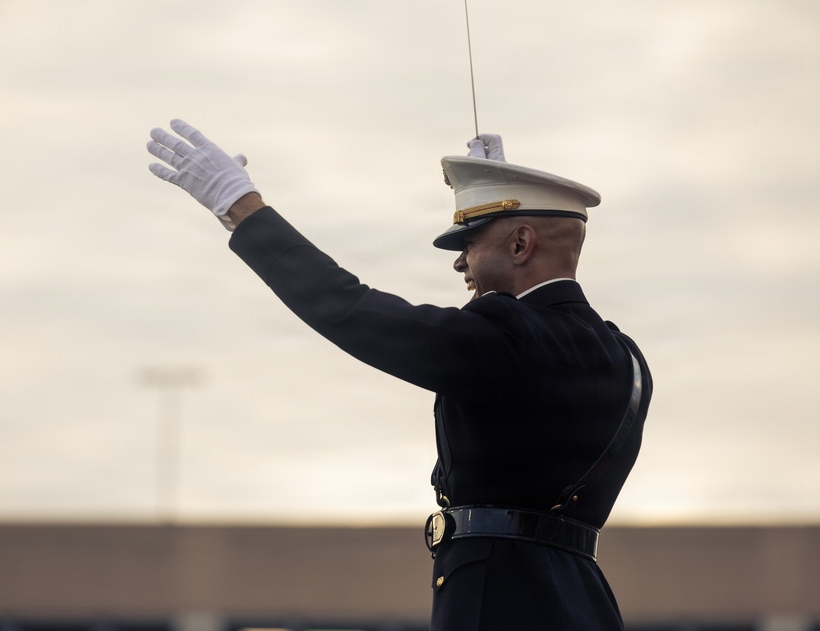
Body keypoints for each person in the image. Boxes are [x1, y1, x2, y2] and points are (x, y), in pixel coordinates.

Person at [146, 119, 653, 630]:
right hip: (582, 599)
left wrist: (243, 209)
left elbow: (348, 309)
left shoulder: (508, 336)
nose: (460, 263)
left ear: (521, 244)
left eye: (472, 242)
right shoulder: (626, 359)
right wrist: (495, 191)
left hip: (500, 596)